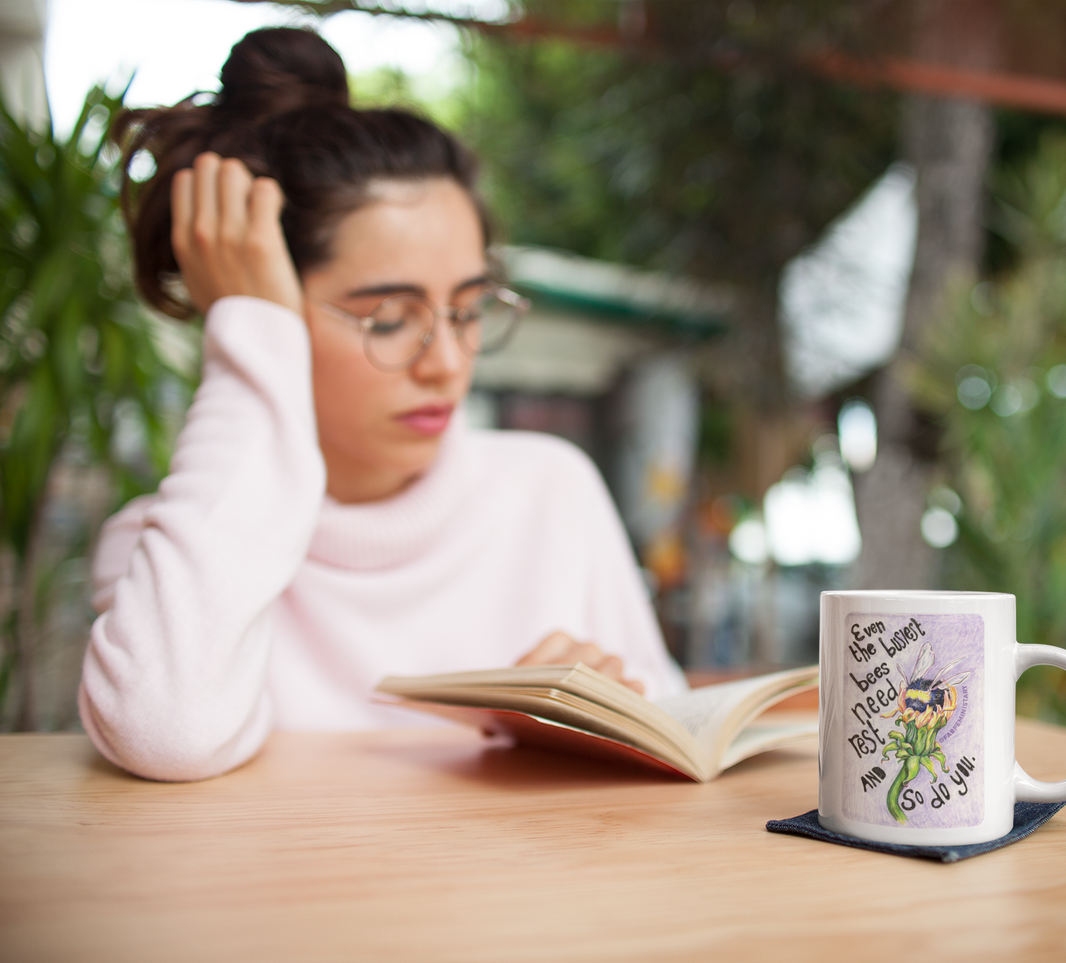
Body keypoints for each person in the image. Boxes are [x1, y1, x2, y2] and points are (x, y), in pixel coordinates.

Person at [80, 26, 686, 782]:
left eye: (467, 309)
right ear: (267, 311)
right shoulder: (167, 554)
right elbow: (164, 732)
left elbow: (674, 732)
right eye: (389, 319)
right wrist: (246, 332)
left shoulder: (548, 491)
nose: (446, 363)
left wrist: (599, 720)